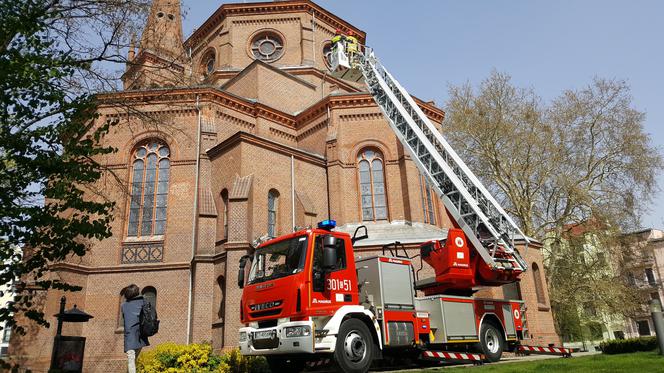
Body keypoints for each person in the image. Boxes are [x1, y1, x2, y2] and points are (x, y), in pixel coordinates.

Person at [121, 284, 149, 373]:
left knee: (131, 358)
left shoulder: (124, 305)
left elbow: (125, 318)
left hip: (130, 335)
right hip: (141, 334)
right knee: (133, 358)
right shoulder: (143, 302)